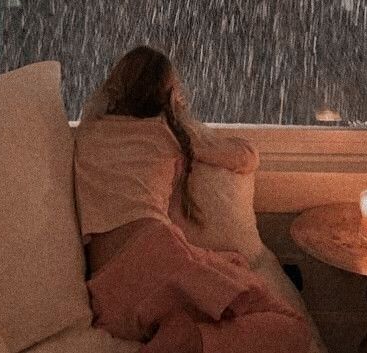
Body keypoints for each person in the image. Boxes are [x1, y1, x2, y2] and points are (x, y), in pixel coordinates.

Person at [73, 45, 312, 353]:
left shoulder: (88, 133)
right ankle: (192, 340)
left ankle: (180, 335)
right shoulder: (166, 133)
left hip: (109, 297)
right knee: (291, 327)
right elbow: (246, 157)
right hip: (159, 258)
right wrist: (188, 136)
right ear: (169, 93)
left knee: (229, 264)